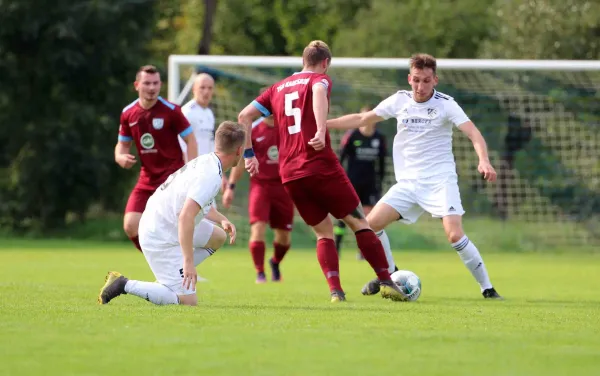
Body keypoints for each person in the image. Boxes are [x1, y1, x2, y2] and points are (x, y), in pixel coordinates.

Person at [237, 40, 408, 302]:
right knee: (359, 222)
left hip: (290, 174)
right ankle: (386, 279)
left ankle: (335, 291)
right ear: (325, 63)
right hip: (319, 165)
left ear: (303, 60)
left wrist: (249, 154)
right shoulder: (319, 79)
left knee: (323, 232)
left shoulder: (276, 88)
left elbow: (243, 116)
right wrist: (319, 129)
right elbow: (318, 90)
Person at [327, 53, 503, 300]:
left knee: (454, 234)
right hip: (408, 184)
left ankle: (488, 289)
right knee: (368, 227)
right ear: (409, 78)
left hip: (440, 181)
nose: (421, 87)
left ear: (435, 80)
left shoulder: (446, 104)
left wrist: (484, 160)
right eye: (417, 80)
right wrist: (323, 124)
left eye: (427, 81)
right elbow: (361, 119)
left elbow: (474, 134)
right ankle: (389, 276)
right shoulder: (400, 100)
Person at [98, 121, 245, 307]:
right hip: (160, 234)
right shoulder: (210, 175)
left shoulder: (207, 161)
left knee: (218, 236)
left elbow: (198, 203)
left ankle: (173, 276)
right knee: (188, 302)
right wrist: (188, 261)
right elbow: (186, 216)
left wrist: (221, 219)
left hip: (163, 223)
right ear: (239, 150)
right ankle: (123, 284)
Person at [116, 65, 198, 253]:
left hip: (172, 179)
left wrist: (192, 170)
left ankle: (176, 263)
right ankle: (159, 259)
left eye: (155, 83)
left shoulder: (171, 111)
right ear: (137, 85)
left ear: (160, 84)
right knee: (130, 224)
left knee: (173, 228)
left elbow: (190, 139)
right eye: (147, 83)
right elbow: (122, 145)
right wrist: (120, 157)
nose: (151, 88)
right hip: (147, 179)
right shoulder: (128, 113)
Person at [222, 110, 294, 284]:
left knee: (284, 237)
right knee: (258, 229)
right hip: (260, 186)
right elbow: (240, 162)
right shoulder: (252, 130)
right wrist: (230, 187)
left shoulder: (287, 129)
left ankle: (275, 262)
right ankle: (260, 273)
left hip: (284, 187)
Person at [334, 105, 388, 258]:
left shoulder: (379, 138)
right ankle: (336, 248)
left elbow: (382, 163)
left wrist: (380, 184)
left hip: (370, 185)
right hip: (351, 183)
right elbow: (340, 159)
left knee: (369, 219)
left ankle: (363, 251)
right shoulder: (352, 136)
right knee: (345, 217)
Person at [179, 73, 228, 192]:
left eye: (210, 88)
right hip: (191, 174)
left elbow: (210, 145)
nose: (206, 91)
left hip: (206, 173)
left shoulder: (209, 113)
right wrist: (189, 173)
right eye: (202, 87)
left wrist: (220, 172)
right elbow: (180, 145)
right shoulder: (187, 112)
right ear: (194, 89)